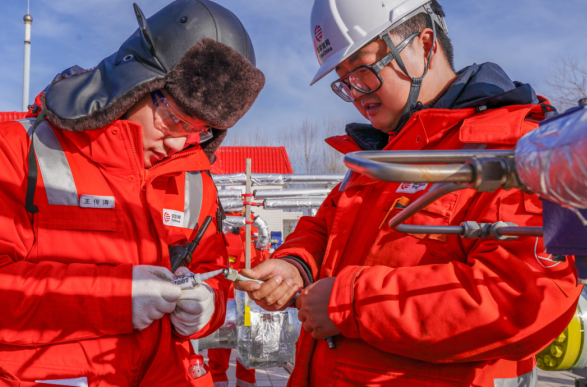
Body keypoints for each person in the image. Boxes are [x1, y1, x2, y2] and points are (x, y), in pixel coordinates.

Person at [235, 1, 580, 386]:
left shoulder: (516, 150)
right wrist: (295, 266)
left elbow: (519, 299)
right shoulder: (382, 158)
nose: (356, 94)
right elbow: (325, 227)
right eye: (344, 81)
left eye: (364, 72)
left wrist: (350, 303)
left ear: (425, 44)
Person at [0, 1, 265, 386]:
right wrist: (113, 297)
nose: (181, 143)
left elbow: (213, 277)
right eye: (174, 118)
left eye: (201, 130)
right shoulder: (17, 151)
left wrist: (208, 308)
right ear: (138, 81)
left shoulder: (194, 181)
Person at [208, 212, 270, 387]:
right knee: (224, 348)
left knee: (242, 348)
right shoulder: (243, 228)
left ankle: (232, 382)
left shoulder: (250, 229)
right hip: (233, 301)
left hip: (238, 302)